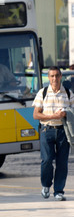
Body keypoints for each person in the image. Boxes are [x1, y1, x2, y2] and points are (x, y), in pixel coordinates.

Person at [33, 66, 74, 201]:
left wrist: (65, 114)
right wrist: (53, 116)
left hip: (63, 131)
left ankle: (58, 191)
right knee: (46, 160)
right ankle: (45, 185)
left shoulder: (68, 93)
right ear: (49, 78)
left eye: (57, 75)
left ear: (60, 76)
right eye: (52, 76)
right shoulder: (42, 92)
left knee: (62, 163)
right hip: (47, 130)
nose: (54, 79)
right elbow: (36, 115)